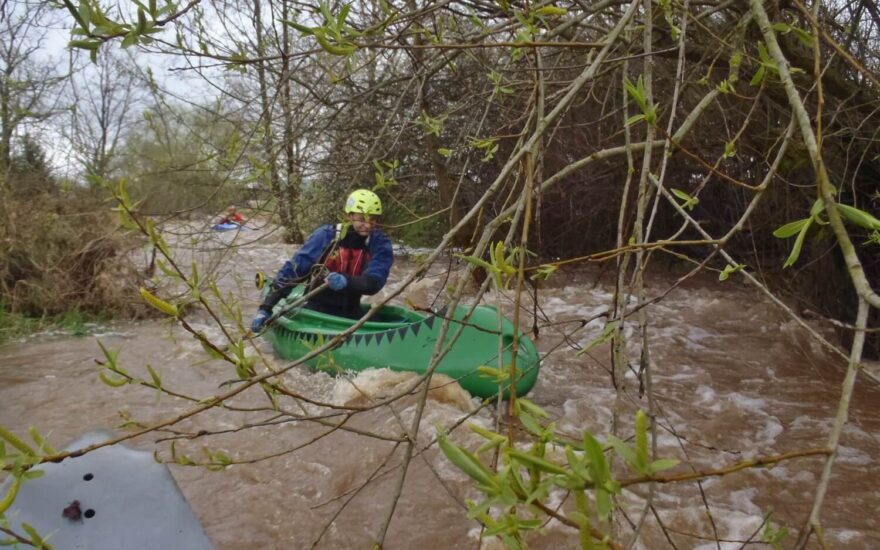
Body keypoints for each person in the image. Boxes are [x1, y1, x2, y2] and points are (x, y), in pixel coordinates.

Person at [251, 189, 393, 331]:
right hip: (316, 310)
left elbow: (374, 282)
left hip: (350, 311)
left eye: (372, 219)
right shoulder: (326, 235)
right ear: (349, 216)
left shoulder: (379, 242)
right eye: (362, 219)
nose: (368, 225)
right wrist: (266, 308)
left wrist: (346, 281)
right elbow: (293, 271)